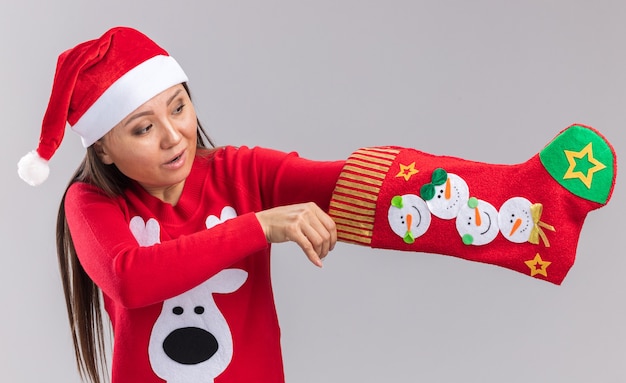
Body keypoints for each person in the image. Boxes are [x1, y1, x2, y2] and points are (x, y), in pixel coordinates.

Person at [17, 26, 616, 383]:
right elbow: (129, 278)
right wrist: (260, 226)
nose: (174, 135)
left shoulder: (238, 171)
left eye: (178, 107)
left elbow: (358, 186)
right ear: (107, 149)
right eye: (142, 128)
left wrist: (515, 195)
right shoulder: (90, 202)